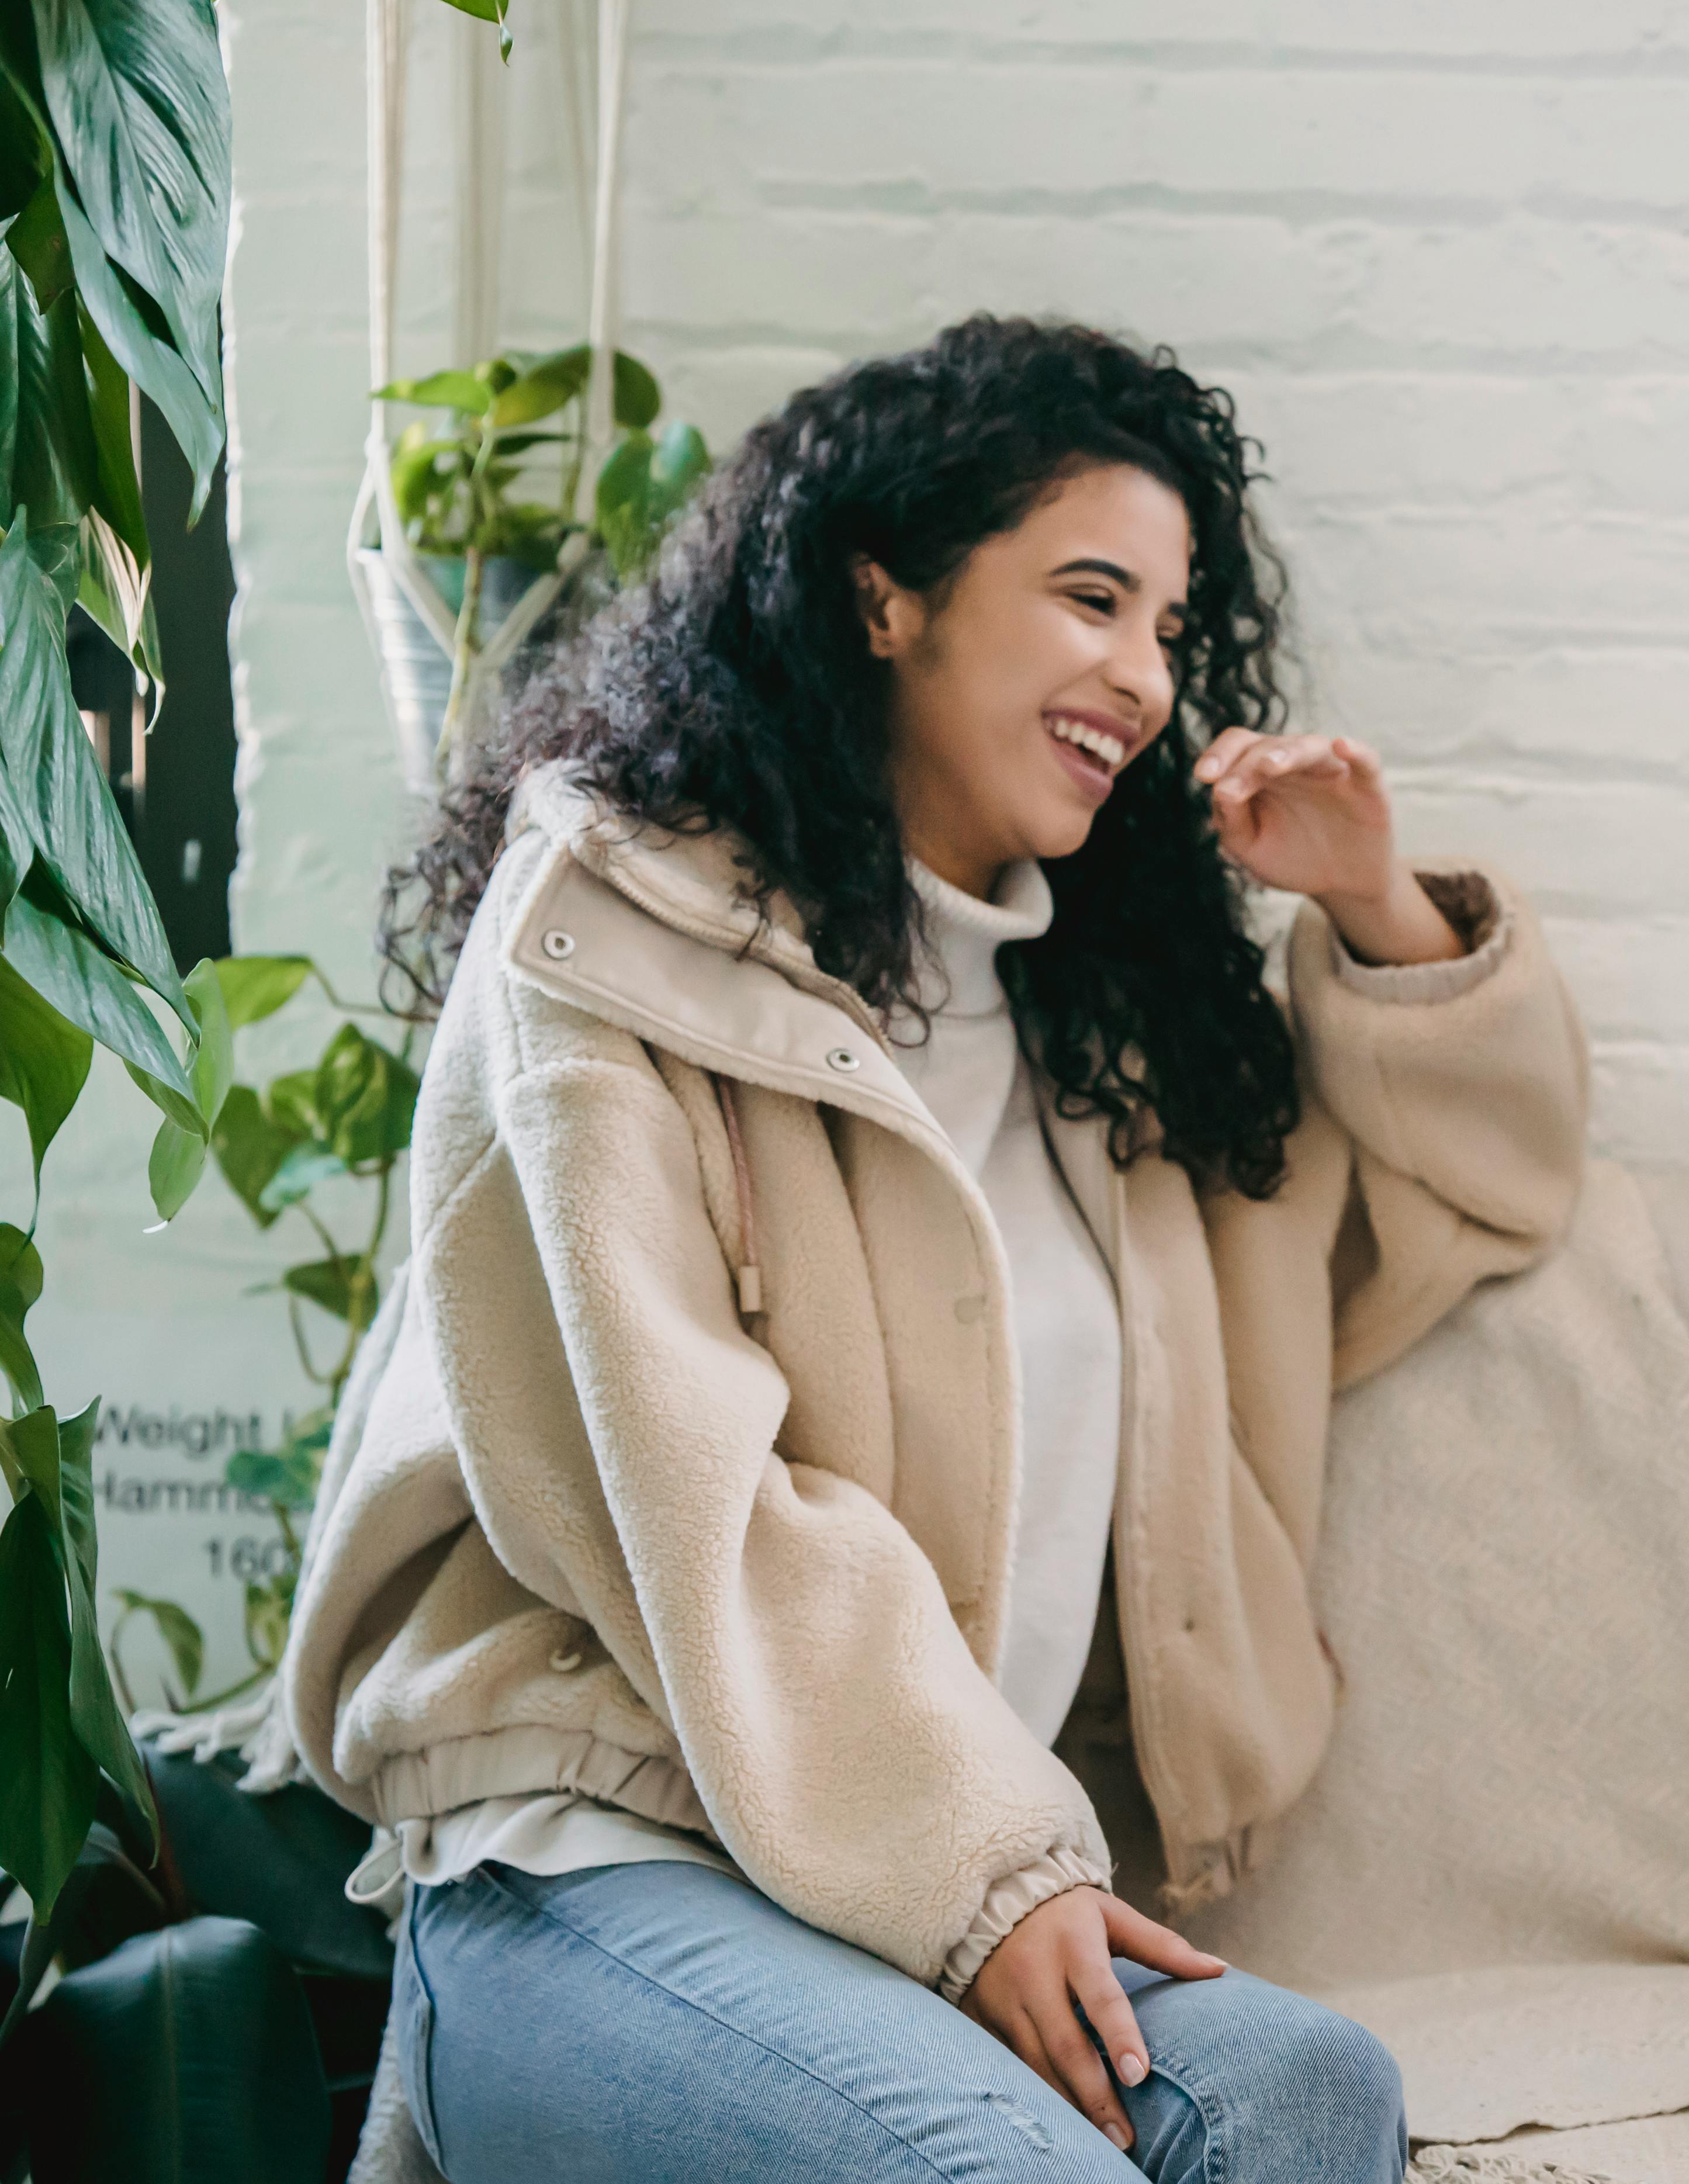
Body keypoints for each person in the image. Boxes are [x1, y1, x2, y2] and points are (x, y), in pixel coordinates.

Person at [283, 316, 1589, 2183]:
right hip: (599, 1849)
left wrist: (1373, 903)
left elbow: (1482, 1193)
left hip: (923, 1894)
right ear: (885, 592)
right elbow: (688, 1499)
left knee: (1315, 2090)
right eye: (1089, 597)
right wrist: (987, 1870)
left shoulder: (1108, 1051)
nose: (1144, 675)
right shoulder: (609, 940)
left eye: (1167, 622)